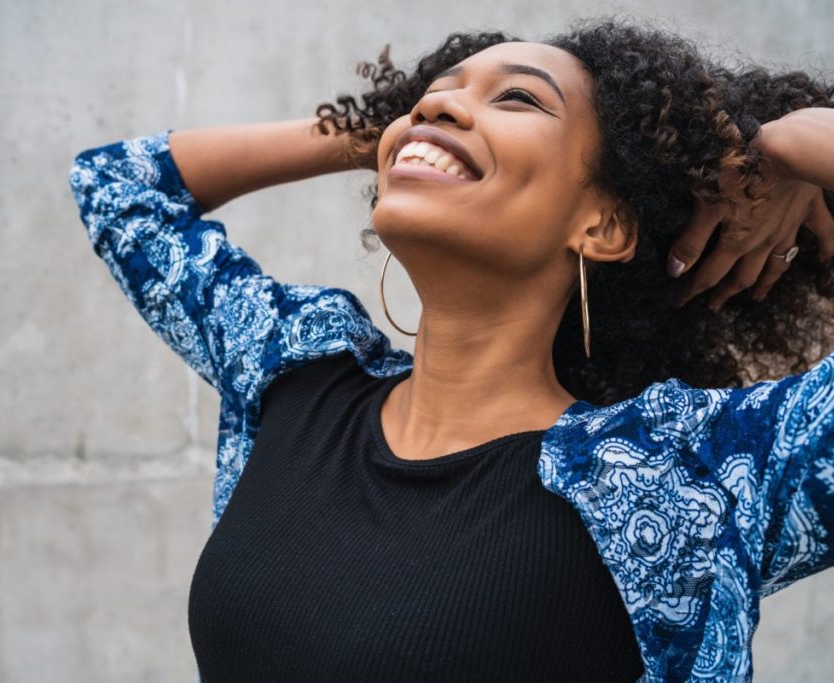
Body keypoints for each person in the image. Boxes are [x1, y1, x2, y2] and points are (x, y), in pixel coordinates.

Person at [67, 17, 834, 683]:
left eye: (519, 98)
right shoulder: (296, 370)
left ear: (603, 225)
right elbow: (118, 186)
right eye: (434, 90)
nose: (439, 100)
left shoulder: (690, 471)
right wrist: (393, 130)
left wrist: (788, 143)